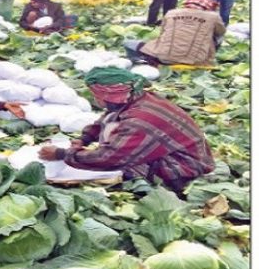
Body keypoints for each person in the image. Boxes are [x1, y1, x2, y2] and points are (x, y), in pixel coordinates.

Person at [39, 67, 214, 195]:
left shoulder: (139, 120)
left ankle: (168, 187)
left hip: (183, 168)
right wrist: (84, 139)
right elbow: (104, 120)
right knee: (111, 127)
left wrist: (63, 154)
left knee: (118, 169)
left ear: (108, 96)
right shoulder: (137, 99)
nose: (94, 99)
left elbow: (108, 157)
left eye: (95, 95)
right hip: (178, 154)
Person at [123, 0, 225, 66]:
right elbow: (221, 32)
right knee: (219, 36)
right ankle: (206, 58)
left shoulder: (171, 13)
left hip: (164, 58)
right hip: (196, 61)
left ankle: (141, 62)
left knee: (128, 43)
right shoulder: (213, 16)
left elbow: (162, 33)